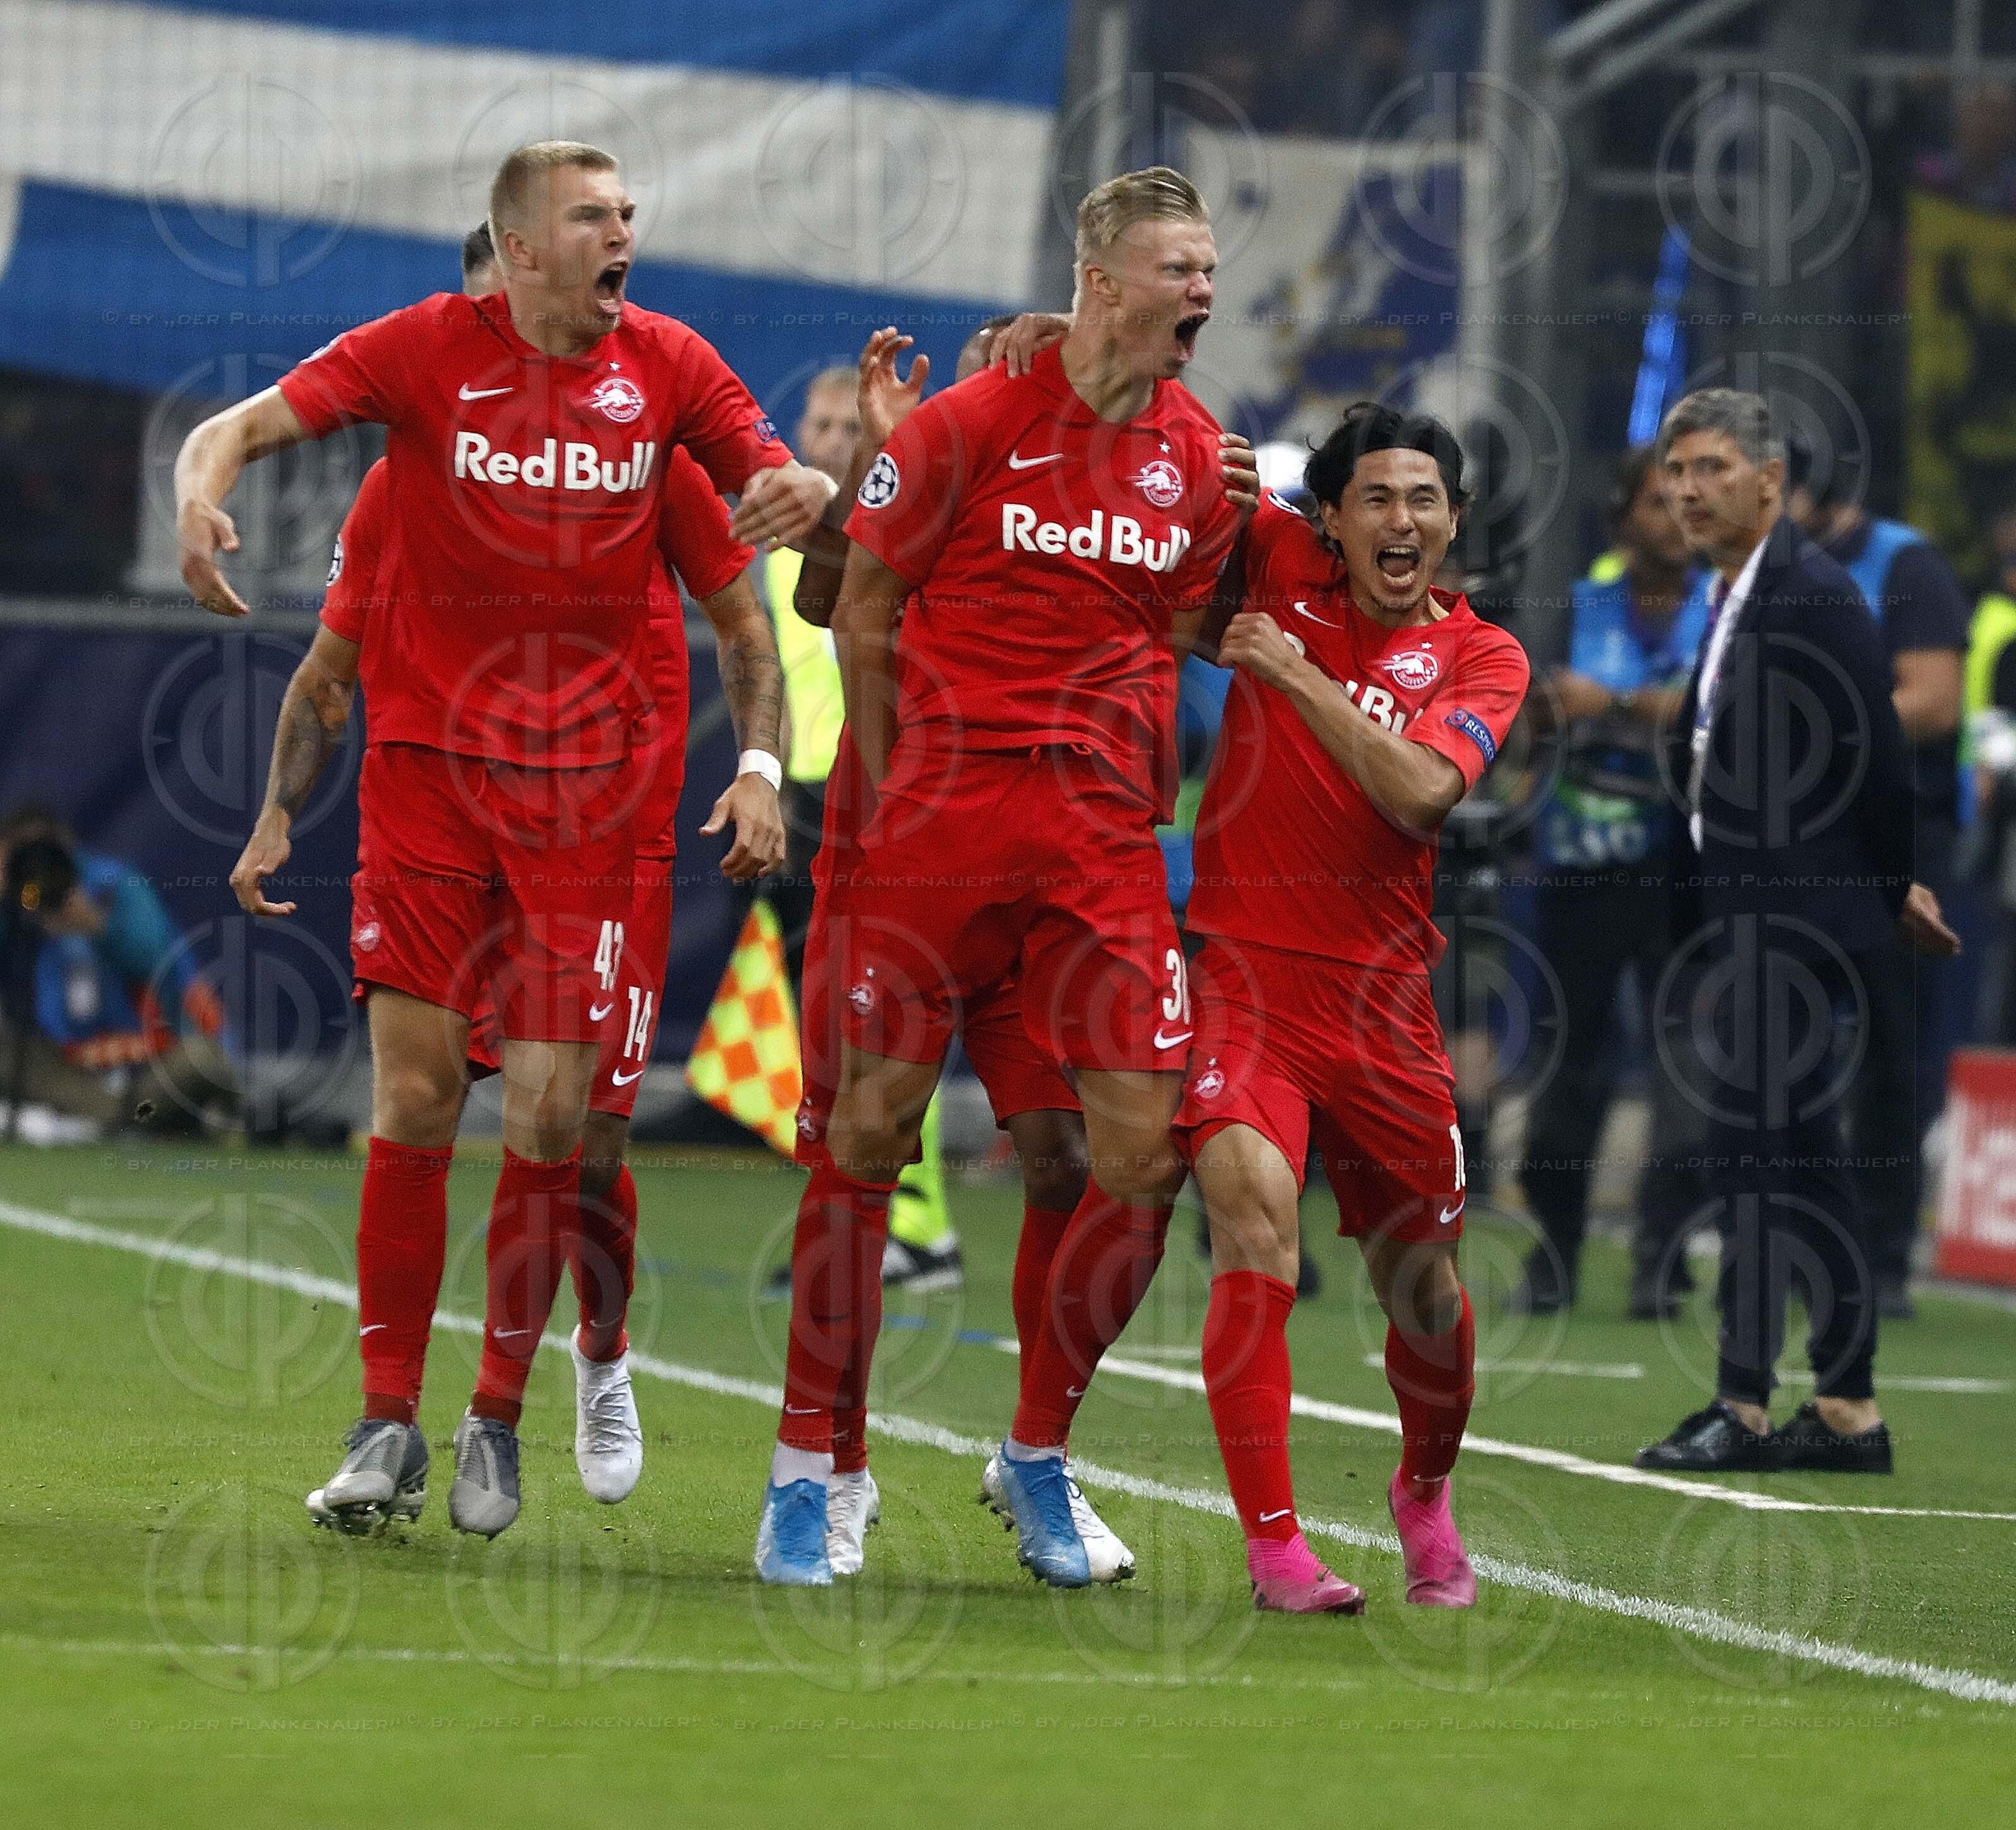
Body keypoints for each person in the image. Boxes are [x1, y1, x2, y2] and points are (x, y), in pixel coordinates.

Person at [186, 140, 831, 1538]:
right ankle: (388, 1424)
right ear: (519, 250)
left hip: (601, 805)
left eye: (630, 215)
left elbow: (775, 551)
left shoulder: (663, 384)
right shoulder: (421, 374)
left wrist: (772, 730)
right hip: (429, 789)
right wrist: (201, 495)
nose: (626, 235)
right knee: (415, 1101)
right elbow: (244, 458)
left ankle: (530, 1395)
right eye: (597, 217)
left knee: (564, 1123)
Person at [758, 167, 1243, 1590]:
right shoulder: (968, 429)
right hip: (934, 840)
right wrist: (908, 793)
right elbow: (857, 608)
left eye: (1213, 270)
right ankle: (808, 1473)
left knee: (1132, 1157)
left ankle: (1037, 1454)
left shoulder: (1199, 456)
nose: (1202, 292)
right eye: (1179, 269)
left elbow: (1199, 618)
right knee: (865, 1139)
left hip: (1099, 853)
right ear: (1101, 282)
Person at [1178, 404, 1529, 1612]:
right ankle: (1276, 1549)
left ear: (1453, 521)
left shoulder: (1487, 657)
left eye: (1423, 500)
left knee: (1423, 1290)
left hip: (1382, 1007)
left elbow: (1422, 791)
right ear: (1327, 520)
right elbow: (1166, 439)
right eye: (1375, 498)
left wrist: (1291, 671)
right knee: (1253, 1220)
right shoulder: (1278, 557)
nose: (1401, 520)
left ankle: (1423, 1490)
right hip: (1242, 975)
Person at [1636, 389, 1959, 1477]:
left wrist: (1890, 883)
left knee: (1756, 1159)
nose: (1686, 488)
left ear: (1769, 480)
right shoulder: (1735, 592)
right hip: (1754, 916)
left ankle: (1744, 1400)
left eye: (1712, 467)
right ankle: (1848, 1404)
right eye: (1677, 468)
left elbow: (1873, 758)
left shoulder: (1812, 594)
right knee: (1806, 1161)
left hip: (1798, 919)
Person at [764, 361, 964, 1291]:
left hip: (880, 791)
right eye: (822, 423)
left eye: (854, 426)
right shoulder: (788, 543)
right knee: (827, 1021)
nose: (834, 438)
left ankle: (917, 1225)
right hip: (802, 798)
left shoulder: (897, 529)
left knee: (880, 1014)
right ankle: (863, 1208)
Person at [1515, 445, 1713, 1319]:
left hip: (1691, 869)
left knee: (1690, 1069)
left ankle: (1659, 1258)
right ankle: (1552, 1252)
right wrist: (1563, 707)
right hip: (1583, 863)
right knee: (1571, 1066)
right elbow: (1534, 704)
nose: (1674, 514)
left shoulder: (1723, 610)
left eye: (1687, 500)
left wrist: (1623, 707)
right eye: (1657, 499)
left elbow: (1725, 708)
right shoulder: (1577, 607)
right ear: (1622, 518)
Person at [1787, 439, 1972, 1320]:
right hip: (1795, 838)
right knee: (1788, 1042)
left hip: (1899, 835)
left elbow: (1935, 701)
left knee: (1890, 1049)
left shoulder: (1905, 564)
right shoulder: (1764, 572)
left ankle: (1886, 1255)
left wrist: (1813, 725)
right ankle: (1802, 1246)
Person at [0, 809, 237, 1139]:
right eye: (25, 860)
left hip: (143, 1070)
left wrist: (99, 929)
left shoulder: (113, 884)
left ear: (66, 846)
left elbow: (163, 966)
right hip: (66, 1072)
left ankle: (105, 1122)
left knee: (202, 1060)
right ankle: (127, 1122)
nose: (39, 874)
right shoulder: (14, 904)